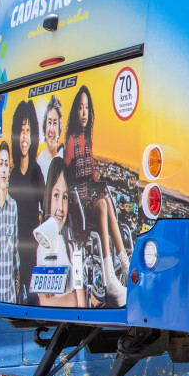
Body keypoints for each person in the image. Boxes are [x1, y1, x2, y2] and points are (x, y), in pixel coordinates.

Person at [63, 85, 128, 306]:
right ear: (75, 112)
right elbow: (67, 177)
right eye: (80, 108)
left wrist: (99, 185)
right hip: (79, 202)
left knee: (107, 201)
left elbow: (91, 173)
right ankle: (109, 276)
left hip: (90, 194)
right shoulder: (71, 141)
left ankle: (124, 262)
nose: (84, 113)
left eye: (87, 108)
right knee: (102, 205)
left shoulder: (87, 140)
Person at [34, 157, 84, 308]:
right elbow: (45, 302)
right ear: (48, 195)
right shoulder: (43, 248)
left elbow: (82, 305)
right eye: (56, 195)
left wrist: (74, 299)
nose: (61, 207)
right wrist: (73, 299)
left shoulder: (71, 246)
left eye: (65, 197)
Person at [10, 100, 44, 305]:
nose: (24, 136)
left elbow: (46, 208)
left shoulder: (36, 171)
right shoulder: (11, 176)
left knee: (33, 300)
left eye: (28, 130)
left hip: (33, 252)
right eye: (21, 130)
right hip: (15, 252)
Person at [0, 141, 19, 304]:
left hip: (10, 299)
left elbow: (16, 254)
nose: (3, 168)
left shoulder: (13, 207)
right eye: (1, 163)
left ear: (8, 170)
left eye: (6, 164)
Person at [37, 95, 63, 180]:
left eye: (55, 123)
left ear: (59, 128)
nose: (51, 129)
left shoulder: (64, 155)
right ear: (45, 127)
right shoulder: (40, 161)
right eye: (49, 122)